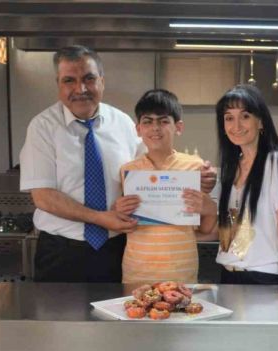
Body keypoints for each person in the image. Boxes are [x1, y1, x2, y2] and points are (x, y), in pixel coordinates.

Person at [19, 45, 216, 283]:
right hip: (61, 251)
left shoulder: (123, 123)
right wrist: (100, 217)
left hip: (116, 249)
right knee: (61, 309)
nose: (81, 89)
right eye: (69, 80)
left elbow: (153, 173)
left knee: (118, 307)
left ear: (102, 81)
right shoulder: (42, 127)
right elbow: (43, 197)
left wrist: (200, 179)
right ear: (58, 84)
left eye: (89, 78)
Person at [114, 89, 216, 285]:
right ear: (138, 129)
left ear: (178, 127)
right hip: (137, 272)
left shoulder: (195, 167)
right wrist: (119, 211)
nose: (155, 128)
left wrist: (210, 209)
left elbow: (206, 228)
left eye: (163, 121)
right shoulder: (128, 171)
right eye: (147, 121)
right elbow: (122, 222)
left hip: (181, 272)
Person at [214, 85, 278, 302]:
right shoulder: (230, 167)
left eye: (245, 116)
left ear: (261, 122)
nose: (236, 125)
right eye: (229, 118)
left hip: (264, 277)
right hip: (228, 273)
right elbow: (231, 226)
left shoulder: (275, 162)